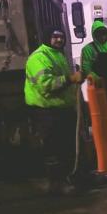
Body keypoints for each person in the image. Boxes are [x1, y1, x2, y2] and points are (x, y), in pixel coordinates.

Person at [24, 28, 82, 194]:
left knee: (65, 148)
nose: (59, 40)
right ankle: (55, 184)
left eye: (61, 37)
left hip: (61, 110)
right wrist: (71, 78)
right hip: (47, 112)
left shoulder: (58, 55)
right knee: (53, 149)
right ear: (46, 38)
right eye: (55, 36)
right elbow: (46, 85)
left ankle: (68, 178)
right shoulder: (39, 57)